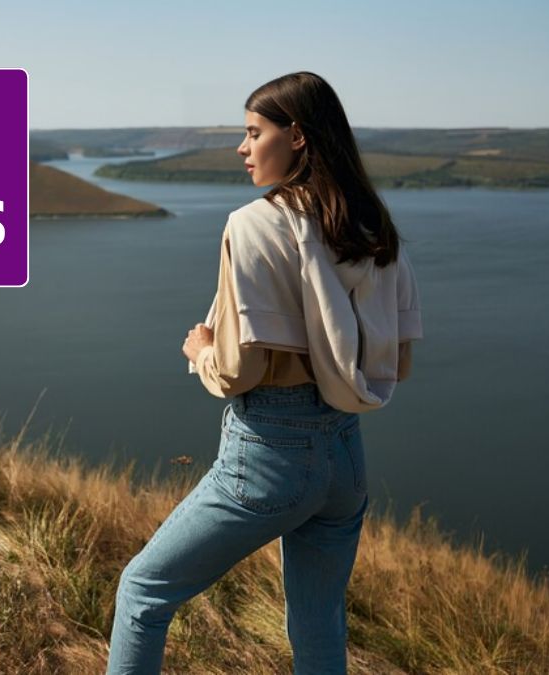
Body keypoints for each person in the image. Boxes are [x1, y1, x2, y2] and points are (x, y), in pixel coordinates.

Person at [105, 72, 423, 674]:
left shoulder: (254, 223)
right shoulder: (374, 229)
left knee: (143, 592)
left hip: (271, 454)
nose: (242, 148)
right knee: (318, 622)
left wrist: (201, 351)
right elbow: (398, 362)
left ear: (297, 136)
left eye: (254, 133)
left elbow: (241, 370)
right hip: (345, 457)